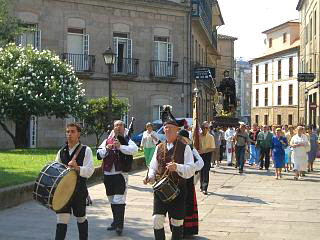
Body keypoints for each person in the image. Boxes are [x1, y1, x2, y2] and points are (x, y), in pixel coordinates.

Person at [143, 106, 196, 240]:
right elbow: (153, 167)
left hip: (179, 189)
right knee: (156, 219)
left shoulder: (185, 148)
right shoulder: (159, 147)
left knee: (177, 222)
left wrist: (177, 167)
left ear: (177, 131)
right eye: (165, 128)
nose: (167, 131)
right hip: (161, 189)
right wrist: (149, 177)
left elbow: (191, 170)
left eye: (170, 128)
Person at [97, 120, 138, 235]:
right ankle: (115, 221)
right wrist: (107, 148)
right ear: (113, 128)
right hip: (108, 175)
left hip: (120, 174)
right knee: (111, 199)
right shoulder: (107, 140)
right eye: (116, 125)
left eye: (121, 125)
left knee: (119, 199)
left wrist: (121, 147)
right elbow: (99, 154)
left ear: (124, 127)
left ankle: (119, 225)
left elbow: (135, 150)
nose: (119, 127)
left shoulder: (127, 140)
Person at [54, 123, 94, 240]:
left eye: (72, 131)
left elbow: (90, 171)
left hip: (79, 190)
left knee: (81, 218)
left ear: (78, 134)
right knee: (61, 220)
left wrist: (77, 168)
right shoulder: (61, 152)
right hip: (64, 191)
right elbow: (56, 171)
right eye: (68, 132)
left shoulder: (86, 150)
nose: (69, 134)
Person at [178, 129, 204, 238]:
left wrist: (191, 169)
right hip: (177, 180)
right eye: (179, 139)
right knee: (177, 205)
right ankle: (177, 228)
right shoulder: (176, 148)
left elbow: (201, 163)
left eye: (182, 139)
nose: (181, 141)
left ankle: (188, 229)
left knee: (188, 204)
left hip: (188, 181)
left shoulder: (191, 149)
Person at [198, 121, 215, 194]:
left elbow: (213, 148)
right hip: (200, 155)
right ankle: (201, 186)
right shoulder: (198, 136)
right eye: (204, 128)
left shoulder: (211, 137)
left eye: (207, 128)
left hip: (207, 154)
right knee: (201, 171)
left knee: (206, 171)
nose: (206, 129)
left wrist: (204, 151)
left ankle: (205, 187)